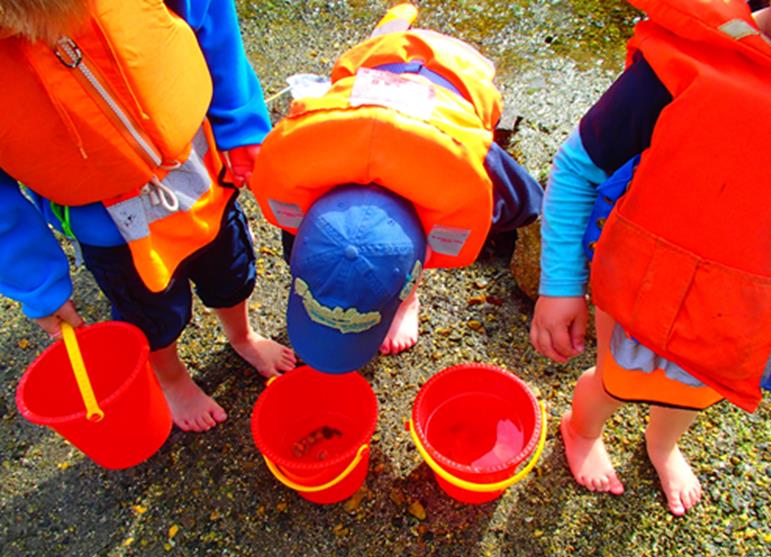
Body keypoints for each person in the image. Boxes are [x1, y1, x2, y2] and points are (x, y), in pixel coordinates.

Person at [530, 0, 771, 516]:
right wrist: (560, 284)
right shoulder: (684, 63)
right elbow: (580, 167)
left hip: (741, 320)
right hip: (645, 289)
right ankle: (582, 431)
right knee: (616, 380)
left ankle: (662, 443)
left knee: (693, 395)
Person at [0, 0, 296, 433]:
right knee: (149, 316)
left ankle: (242, 335)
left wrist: (239, 124)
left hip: (201, 179)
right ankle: (172, 379)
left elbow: (209, 12)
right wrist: (36, 282)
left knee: (232, 273)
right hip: (108, 225)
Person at [247, 2, 543, 374]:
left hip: (456, 76)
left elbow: (528, 202)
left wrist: (470, 206)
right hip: (371, 71)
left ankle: (408, 300)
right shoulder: (302, 169)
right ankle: (397, 17)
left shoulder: (465, 158)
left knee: (402, 246)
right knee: (383, 41)